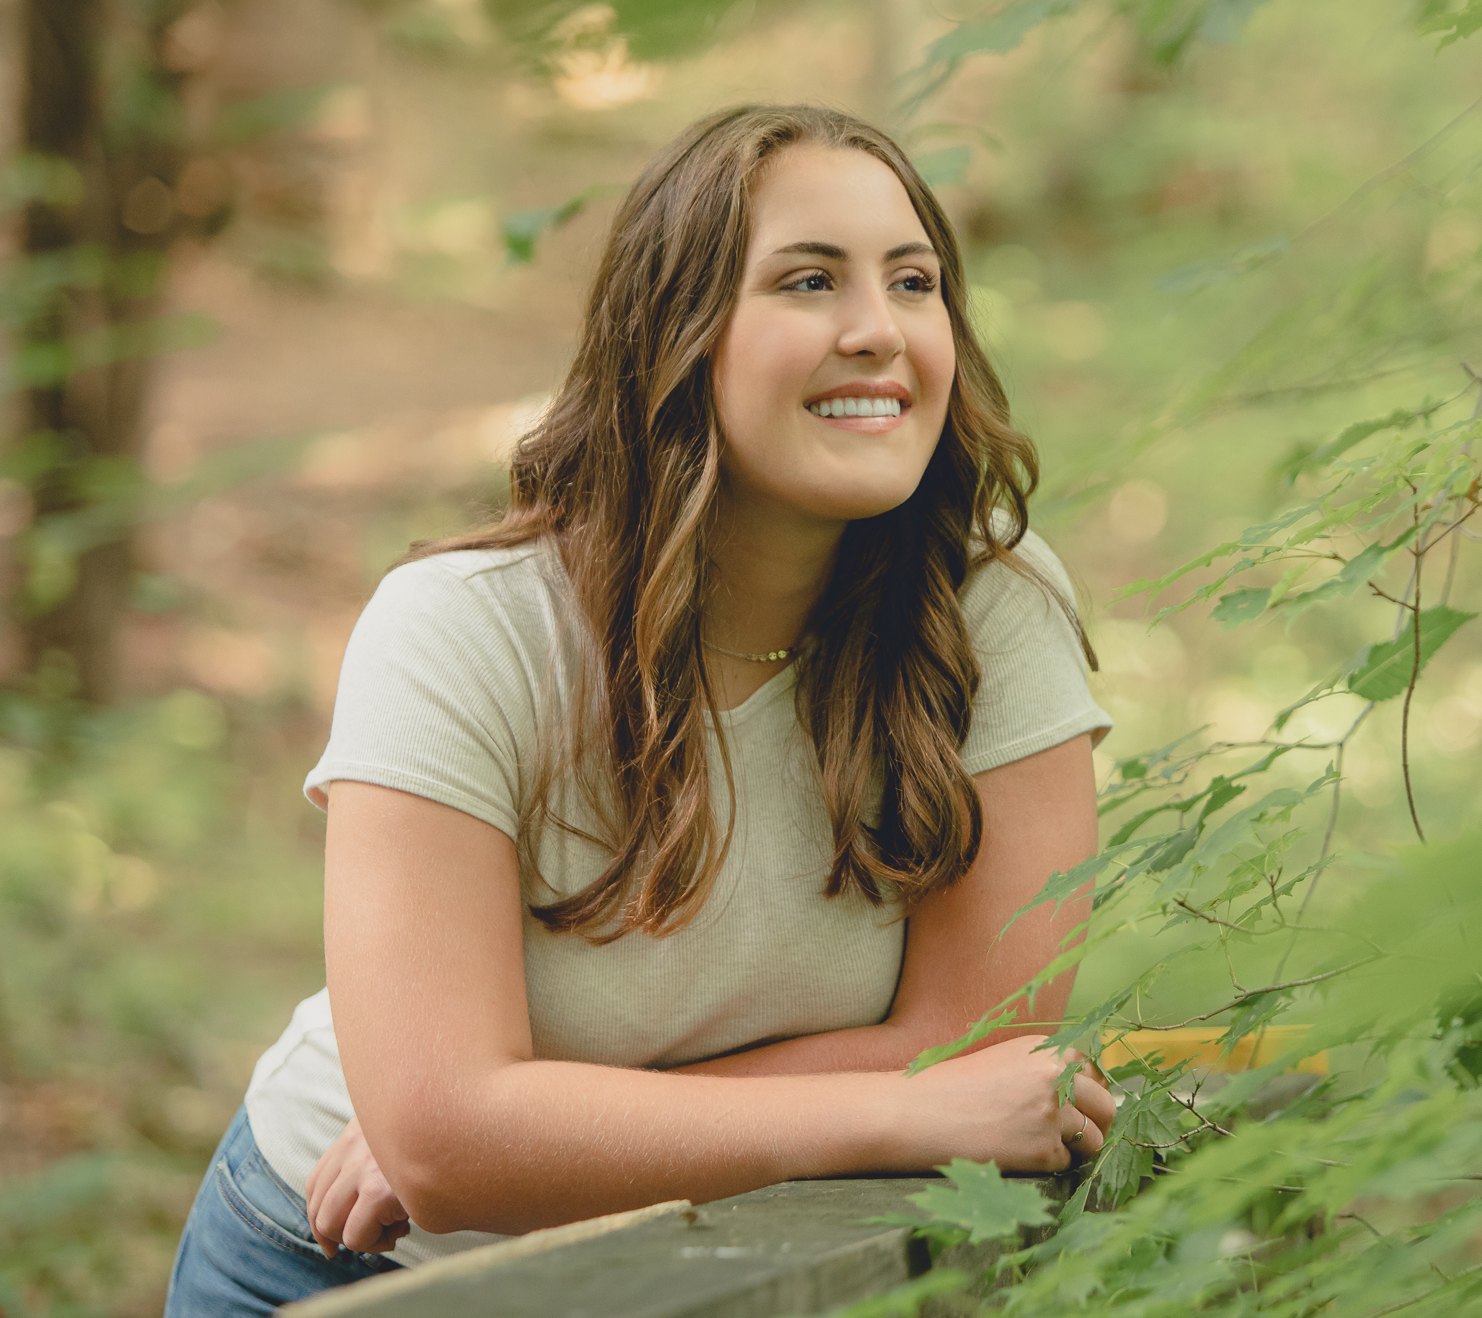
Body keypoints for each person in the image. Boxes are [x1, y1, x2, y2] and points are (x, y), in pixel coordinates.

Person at [163, 103, 1117, 1316]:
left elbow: (977, 1048)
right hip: (342, 1264)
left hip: (718, 1265)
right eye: (809, 281)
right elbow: (450, 1145)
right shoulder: (464, 631)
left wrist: (535, 1127)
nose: (879, 330)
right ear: (678, 335)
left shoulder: (990, 609)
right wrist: (471, 1135)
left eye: (914, 280)